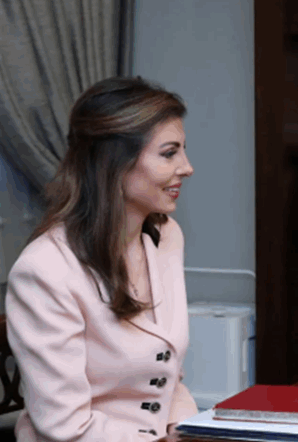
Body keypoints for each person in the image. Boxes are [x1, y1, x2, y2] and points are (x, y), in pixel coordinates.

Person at [6, 76, 200, 440]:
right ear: (115, 162)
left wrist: (185, 429)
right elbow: (65, 426)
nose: (187, 167)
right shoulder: (44, 270)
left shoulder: (166, 237)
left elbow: (169, 377)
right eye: (169, 153)